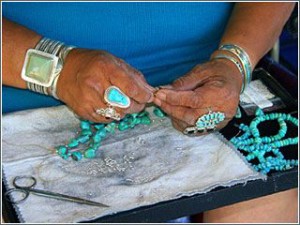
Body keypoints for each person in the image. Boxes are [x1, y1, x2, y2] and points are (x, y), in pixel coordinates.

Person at [2, 2, 297, 223]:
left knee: (262, 205)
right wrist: (56, 69)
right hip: (27, 94)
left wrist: (234, 63)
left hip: (210, 82)